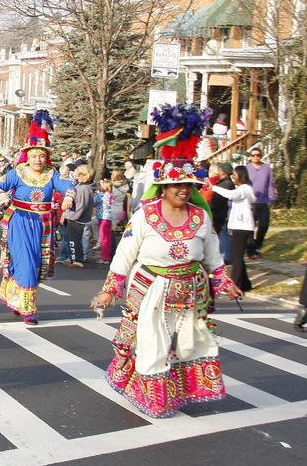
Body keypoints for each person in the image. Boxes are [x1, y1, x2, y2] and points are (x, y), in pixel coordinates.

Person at [91, 102, 240, 418]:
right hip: (151, 289)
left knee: (188, 344)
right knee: (154, 343)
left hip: (190, 293)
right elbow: (125, 254)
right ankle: (154, 397)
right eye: (176, 185)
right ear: (163, 187)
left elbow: (213, 257)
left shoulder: (200, 218)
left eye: (187, 185)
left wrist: (225, 282)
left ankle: (183, 390)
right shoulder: (145, 215)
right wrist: (109, 289)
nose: (183, 191)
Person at [0, 111, 76, 325]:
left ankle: (17, 298)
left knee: (33, 264)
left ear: (46, 156)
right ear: (28, 154)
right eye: (34, 155)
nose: (38, 159)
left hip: (42, 224)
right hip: (19, 222)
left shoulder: (51, 174)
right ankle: (29, 310)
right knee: (26, 263)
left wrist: (69, 197)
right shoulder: (18, 173)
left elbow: (68, 186)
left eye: (42, 155)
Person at [206, 165, 256, 292]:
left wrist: (214, 188)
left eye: (234, 174)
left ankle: (235, 285)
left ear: (241, 175)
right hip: (238, 225)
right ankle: (245, 284)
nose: (232, 176)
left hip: (242, 226)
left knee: (237, 258)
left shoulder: (244, 189)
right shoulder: (242, 188)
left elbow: (231, 195)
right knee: (237, 255)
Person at [245, 148, 276, 259]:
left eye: (258, 155)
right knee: (249, 227)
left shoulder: (267, 168)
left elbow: (270, 184)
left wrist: (271, 199)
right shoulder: (247, 169)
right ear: (250, 157)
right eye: (253, 155)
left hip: (263, 202)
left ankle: (257, 246)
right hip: (250, 202)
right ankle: (250, 251)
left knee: (264, 225)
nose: (256, 157)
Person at [62, 164, 94, 268]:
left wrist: (69, 216)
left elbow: (81, 206)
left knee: (73, 241)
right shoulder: (80, 186)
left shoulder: (84, 188)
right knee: (71, 239)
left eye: (80, 175)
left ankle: (76, 259)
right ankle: (73, 258)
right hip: (74, 217)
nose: (77, 177)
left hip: (77, 219)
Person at [207, 163, 234, 264]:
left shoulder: (226, 184)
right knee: (223, 235)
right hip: (220, 213)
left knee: (224, 235)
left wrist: (211, 207)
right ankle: (225, 255)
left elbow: (218, 201)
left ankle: (226, 256)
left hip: (222, 214)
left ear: (224, 172)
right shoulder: (223, 183)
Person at [95, 178, 114, 264]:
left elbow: (94, 202)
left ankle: (104, 258)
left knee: (104, 239)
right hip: (110, 218)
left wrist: (96, 194)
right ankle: (108, 256)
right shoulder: (112, 195)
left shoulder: (101, 195)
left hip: (103, 218)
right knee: (108, 239)